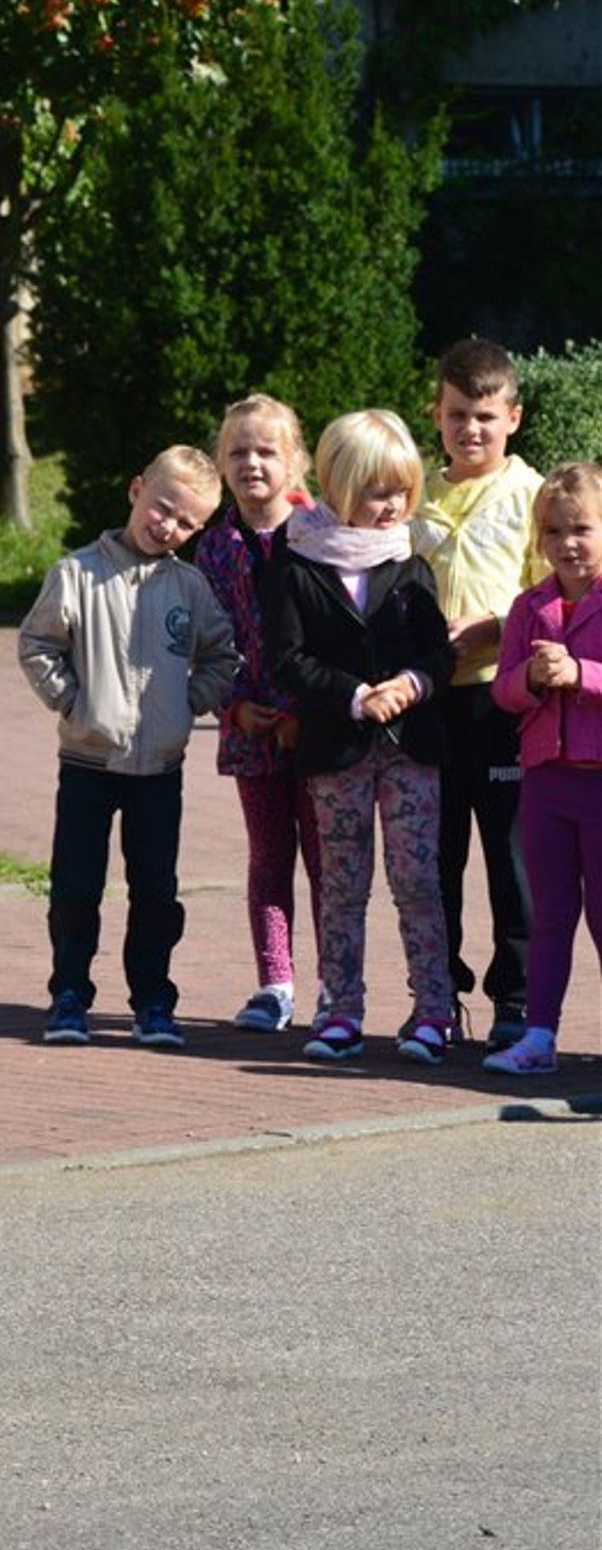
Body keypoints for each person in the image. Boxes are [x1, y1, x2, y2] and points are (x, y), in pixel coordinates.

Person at [18, 447, 239, 1052]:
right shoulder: (78, 573)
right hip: (88, 762)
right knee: (76, 886)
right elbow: (38, 644)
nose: (168, 526)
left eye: (187, 523)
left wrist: (187, 703)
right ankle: (69, 993)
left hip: (160, 769)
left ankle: (153, 1000)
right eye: (163, 507)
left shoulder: (189, 587)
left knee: (156, 891)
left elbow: (222, 655)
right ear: (137, 490)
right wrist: (74, 704)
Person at [265, 410, 458, 1065]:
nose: (393, 506)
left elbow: (438, 653)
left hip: (410, 747)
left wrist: (412, 683)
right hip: (335, 748)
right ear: (338, 485)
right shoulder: (296, 564)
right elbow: (287, 659)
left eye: (403, 491)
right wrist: (354, 695)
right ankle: (340, 1011)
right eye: (378, 492)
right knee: (343, 886)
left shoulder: (411, 563)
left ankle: (433, 1012)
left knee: (417, 880)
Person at [411, 337, 545, 1053]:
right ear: (436, 414)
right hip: (428, 702)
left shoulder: (534, 495)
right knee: (434, 861)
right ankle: (437, 997)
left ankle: (515, 998)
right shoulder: (412, 494)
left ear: (513, 418)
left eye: (486, 417)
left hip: (502, 702)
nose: (471, 429)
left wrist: (498, 625)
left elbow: (554, 596)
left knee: (512, 859)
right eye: (458, 414)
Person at [195, 395, 322, 1033]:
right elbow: (209, 643)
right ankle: (275, 984)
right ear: (222, 463)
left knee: (329, 863)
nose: (252, 464)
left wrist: (313, 712)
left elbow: (336, 635)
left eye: (267, 451)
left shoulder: (321, 536)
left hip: (319, 734)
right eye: (238, 452)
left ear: (295, 460)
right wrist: (235, 707)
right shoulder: (215, 548)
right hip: (252, 733)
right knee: (269, 858)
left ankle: (338, 983)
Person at [484, 461, 602, 1077]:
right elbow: (502, 692)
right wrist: (528, 679)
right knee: (549, 917)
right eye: (553, 531)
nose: (567, 544)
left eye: (581, 528)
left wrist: (581, 674)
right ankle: (538, 1035)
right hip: (545, 783)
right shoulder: (529, 606)